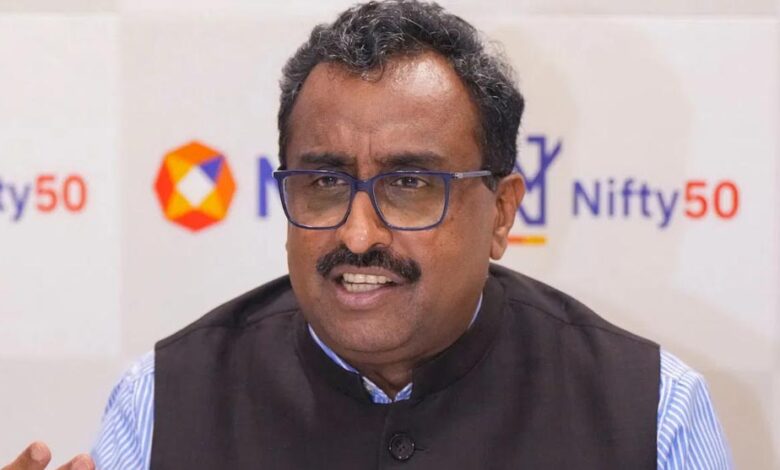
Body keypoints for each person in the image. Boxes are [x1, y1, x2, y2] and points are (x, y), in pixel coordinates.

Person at [4, 1, 731, 469]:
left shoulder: (650, 410)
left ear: (502, 212)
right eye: (324, 182)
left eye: (410, 184)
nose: (357, 236)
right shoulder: (164, 399)